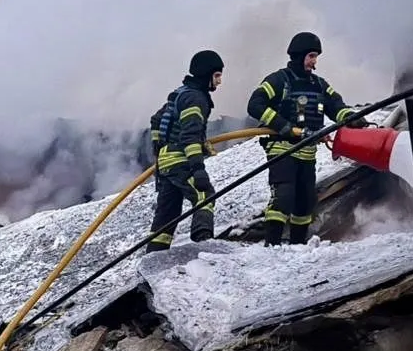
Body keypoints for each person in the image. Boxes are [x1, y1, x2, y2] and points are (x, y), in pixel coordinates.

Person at [247, 32, 366, 245]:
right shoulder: (279, 80)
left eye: (316, 57)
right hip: (282, 148)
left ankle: (298, 247)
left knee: (305, 201)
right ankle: (271, 246)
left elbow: (336, 106)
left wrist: (351, 118)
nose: (314, 62)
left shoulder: (319, 85)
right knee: (283, 196)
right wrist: (285, 126)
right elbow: (255, 105)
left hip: (308, 152)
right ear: (299, 55)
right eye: (311, 56)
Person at [145, 49, 224, 252]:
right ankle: (204, 246)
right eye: (216, 76)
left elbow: (156, 120)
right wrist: (198, 169)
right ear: (206, 74)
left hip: (166, 162)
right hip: (180, 160)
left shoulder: (182, 93)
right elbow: (190, 136)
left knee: (167, 214)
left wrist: (160, 148)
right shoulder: (196, 98)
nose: (219, 81)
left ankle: (153, 257)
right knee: (204, 195)